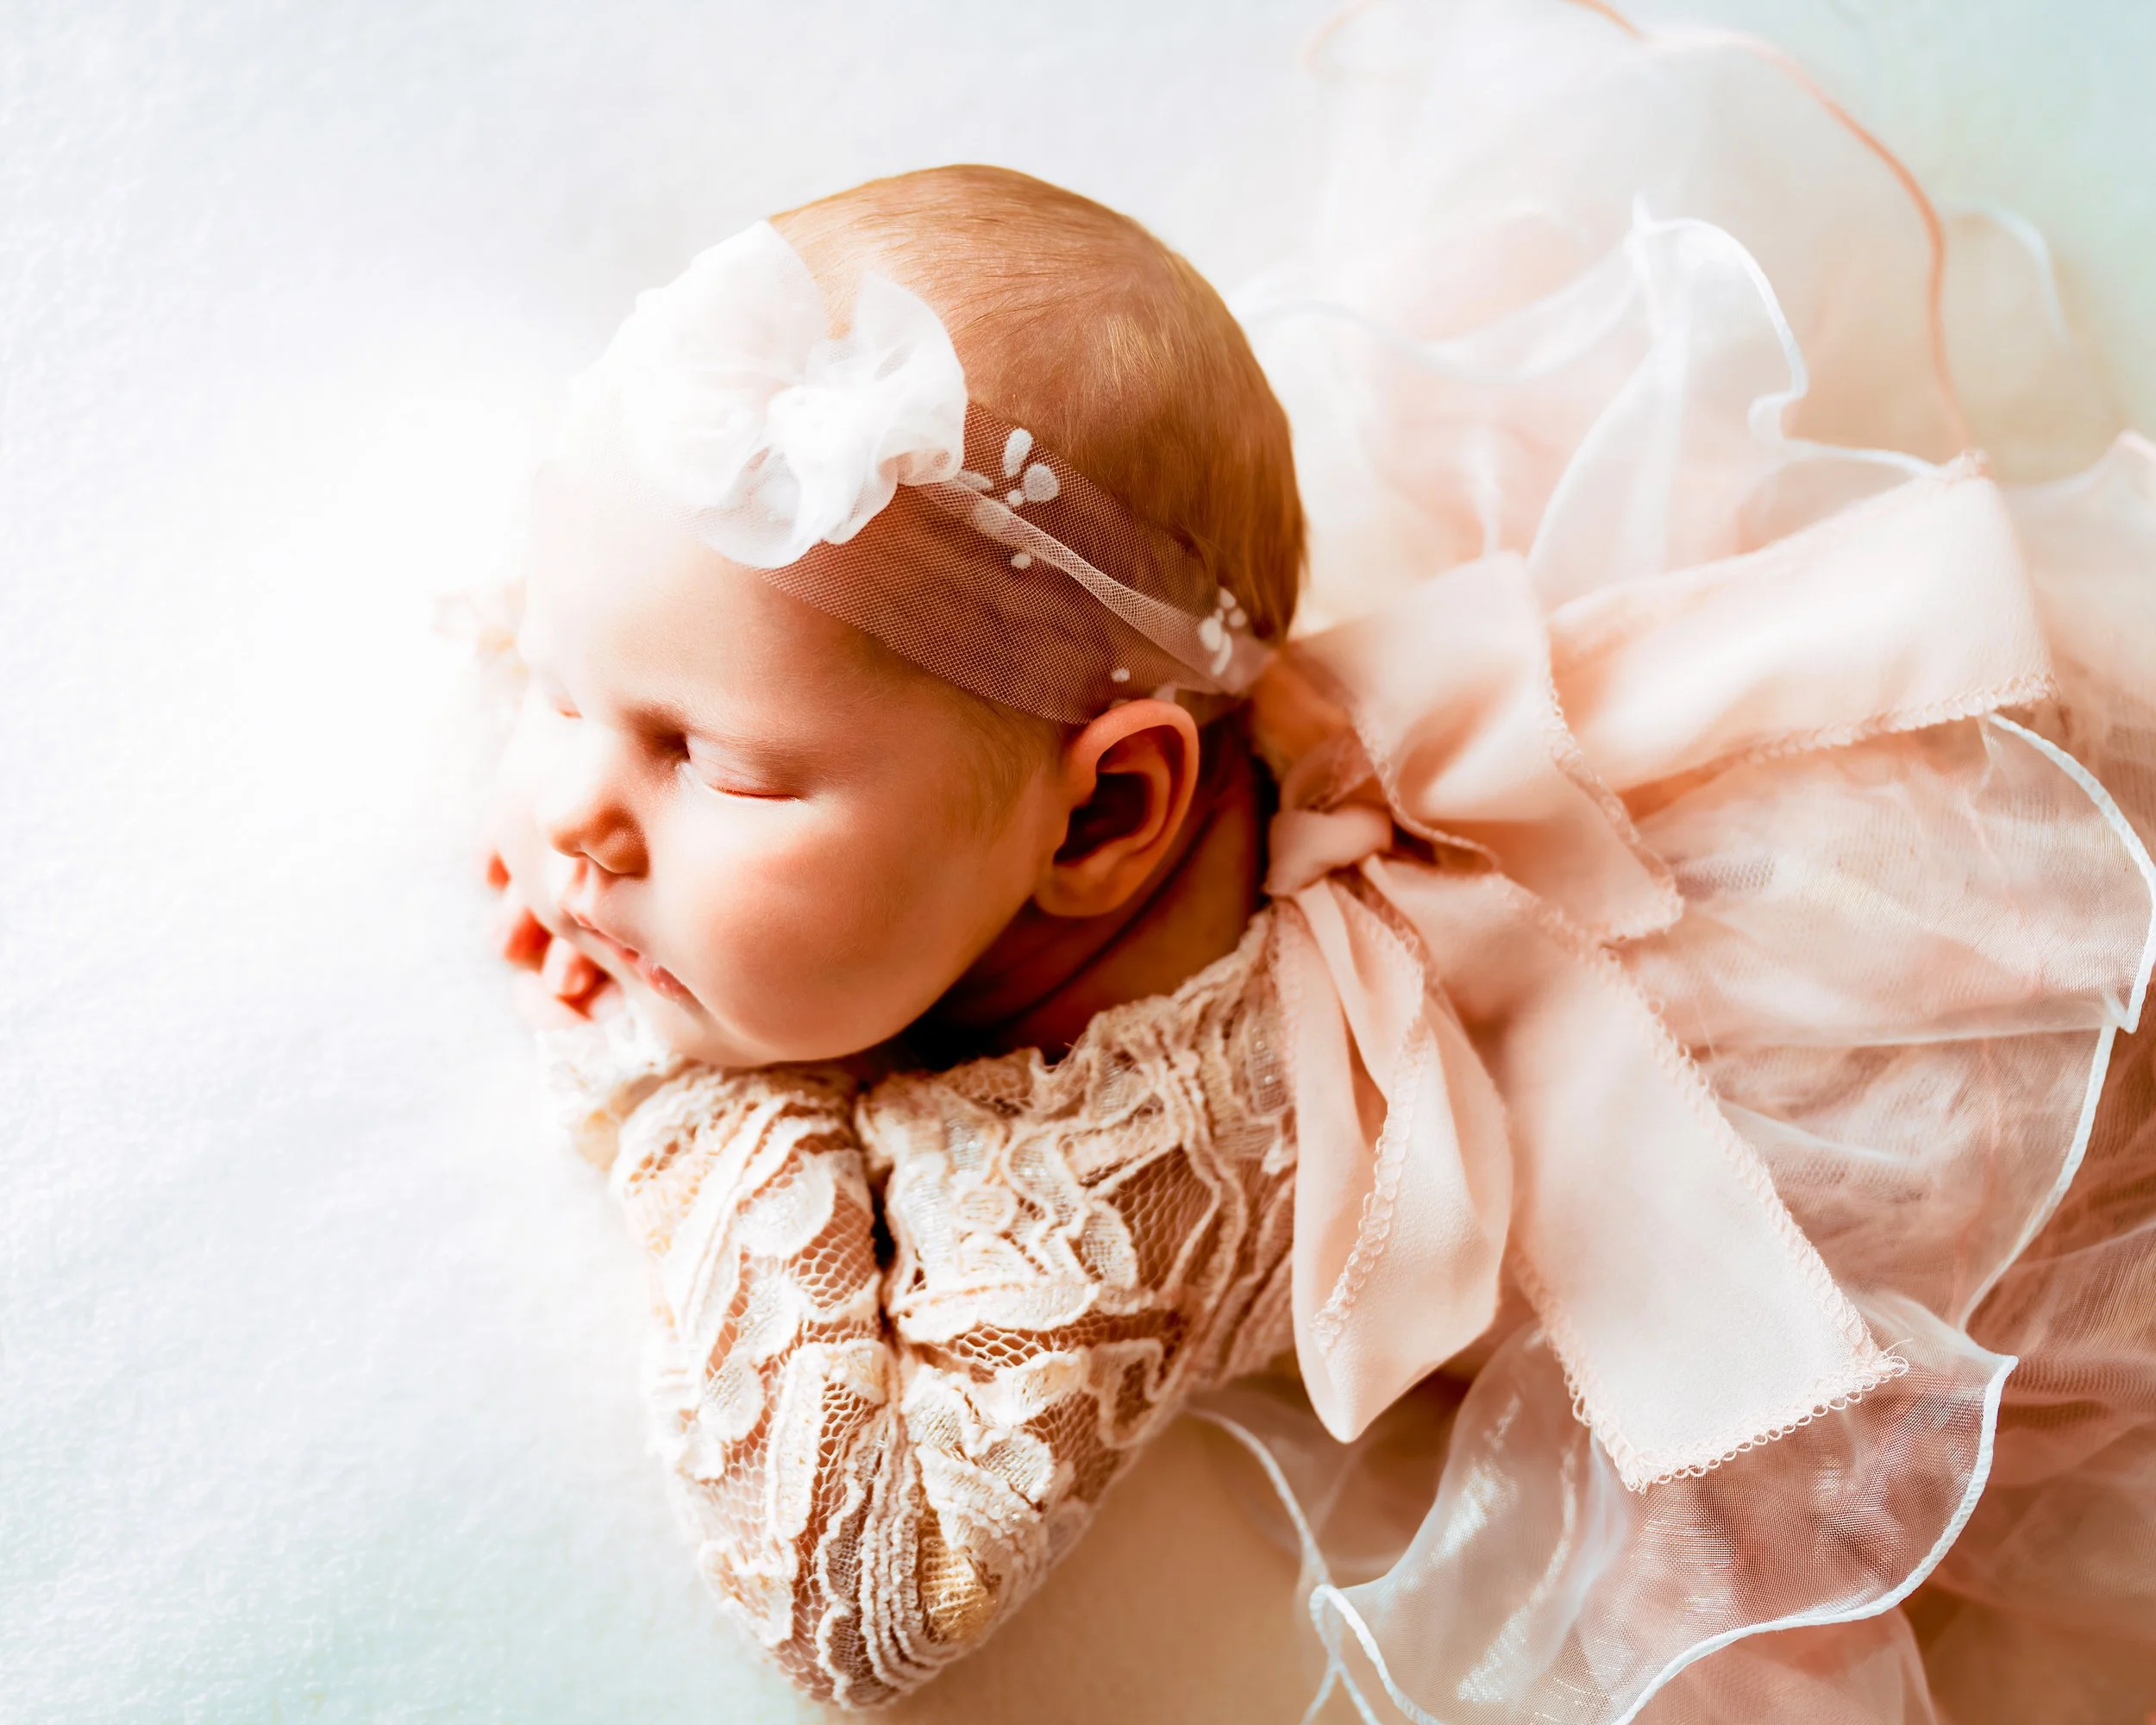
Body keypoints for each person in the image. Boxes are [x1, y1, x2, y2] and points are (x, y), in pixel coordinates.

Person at [479, 5, 2156, 1716]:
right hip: (1785, 835)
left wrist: (684, 1087)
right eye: (556, 688)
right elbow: (646, 614)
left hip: (1887, 1074)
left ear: (1108, 814)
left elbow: (856, 1605)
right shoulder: (880, 718)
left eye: (714, 769)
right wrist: (613, 700)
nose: (571, 818)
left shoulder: (1147, 1164)